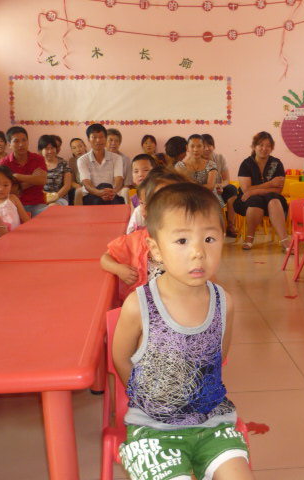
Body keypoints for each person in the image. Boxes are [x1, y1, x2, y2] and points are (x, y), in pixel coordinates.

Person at [112, 182, 252, 480]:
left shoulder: (224, 302)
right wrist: (150, 400)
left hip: (213, 422)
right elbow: (121, 358)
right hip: (152, 430)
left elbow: (219, 355)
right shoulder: (138, 305)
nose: (198, 253)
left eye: (210, 238)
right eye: (182, 241)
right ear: (155, 249)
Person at [101, 167, 188, 298]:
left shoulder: (190, 242)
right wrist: (119, 269)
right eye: (143, 203)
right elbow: (105, 258)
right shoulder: (136, 240)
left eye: (159, 202)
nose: (147, 208)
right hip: (145, 307)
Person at [233, 131, 290, 251]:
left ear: (272, 148)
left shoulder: (276, 163)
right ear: (254, 147)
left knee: (274, 199)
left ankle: (284, 239)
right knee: (255, 201)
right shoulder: (246, 164)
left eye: (268, 145)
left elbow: (277, 189)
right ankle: (249, 236)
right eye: (260, 145)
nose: (264, 148)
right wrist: (270, 184)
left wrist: (254, 191)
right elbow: (245, 190)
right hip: (246, 200)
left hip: (271, 198)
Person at [0, 126, 48, 217]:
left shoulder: (38, 159)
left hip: (37, 204)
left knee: (49, 216)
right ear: (9, 145)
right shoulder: (4, 163)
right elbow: (11, 190)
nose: (21, 144)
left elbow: (42, 180)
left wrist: (17, 177)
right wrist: (33, 179)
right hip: (13, 205)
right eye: (16, 141)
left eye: (24, 140)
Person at [78, 123, 125, 205]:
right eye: (94, 137)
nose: (98, 140)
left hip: (111, 194)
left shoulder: (117, 158)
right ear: (88, 139)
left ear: (105, 138)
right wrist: (99, 193)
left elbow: (119, 178)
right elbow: (86, 183)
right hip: (91, 195)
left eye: (101, 137)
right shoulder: (82, 160)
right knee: (99, 200)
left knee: (108, 192)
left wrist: (113, 191)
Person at [203, 133, 238, 237]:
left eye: (209, 145)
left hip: (219, 188)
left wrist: (221, 186)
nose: (207, 148)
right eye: (204, 146)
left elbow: (226, 179)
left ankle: (230, 225)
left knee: (232, 190)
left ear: (214, 146)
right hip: (206, 190)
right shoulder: (196, 160)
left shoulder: (219, 158)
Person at [175, 135, 223, 207]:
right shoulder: (179, 166)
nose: (196, 150)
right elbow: (181, 187)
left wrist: (190, 186)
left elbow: (210, 187)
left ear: (203, 147)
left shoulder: (211, 164)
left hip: (209, 199)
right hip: (188, 200)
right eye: (192, 146)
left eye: (199, 146)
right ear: (187, 148)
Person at [39, 135, 72, 206]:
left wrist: (54, 197)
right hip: (40, 198)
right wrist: (44, 199)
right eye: (46, 148)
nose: (50, 151)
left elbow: (67, 185)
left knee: (52, 206)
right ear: (41, 150)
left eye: (52, 148)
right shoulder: (36, 164)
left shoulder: (63, 163)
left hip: (60, 198)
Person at [106, 128, 133, 203]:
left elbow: (127, 183)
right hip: (102, 191)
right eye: (110, 140)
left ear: (119, 143)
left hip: (119, 191)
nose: (113, 143)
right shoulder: (100, 158)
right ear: (105, 141)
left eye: (116, 141)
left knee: (125, 191)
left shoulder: (125, 159)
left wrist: (114, 192)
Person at [68, 137, 87, 205]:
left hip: (92, 186)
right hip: (79, 186)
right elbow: (71, 181)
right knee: (71, 192)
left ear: (85, 147)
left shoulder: (91, 158)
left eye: (80, 146)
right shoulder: (72, 161)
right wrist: (78, 186)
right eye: (74, 148)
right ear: (72, 151)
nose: (78, 150)